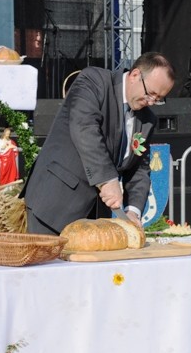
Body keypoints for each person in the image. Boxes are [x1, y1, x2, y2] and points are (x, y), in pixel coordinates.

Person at [23, 52, 175, 235]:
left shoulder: (147, 120)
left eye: (158, 99)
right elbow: (85, 128)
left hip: (96, 220)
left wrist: (133, 211)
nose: (151, 102)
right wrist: (108, 180)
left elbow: (139, 170)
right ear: (135, 75)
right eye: (150, 94)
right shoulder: (94, 81)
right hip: (55, 204)